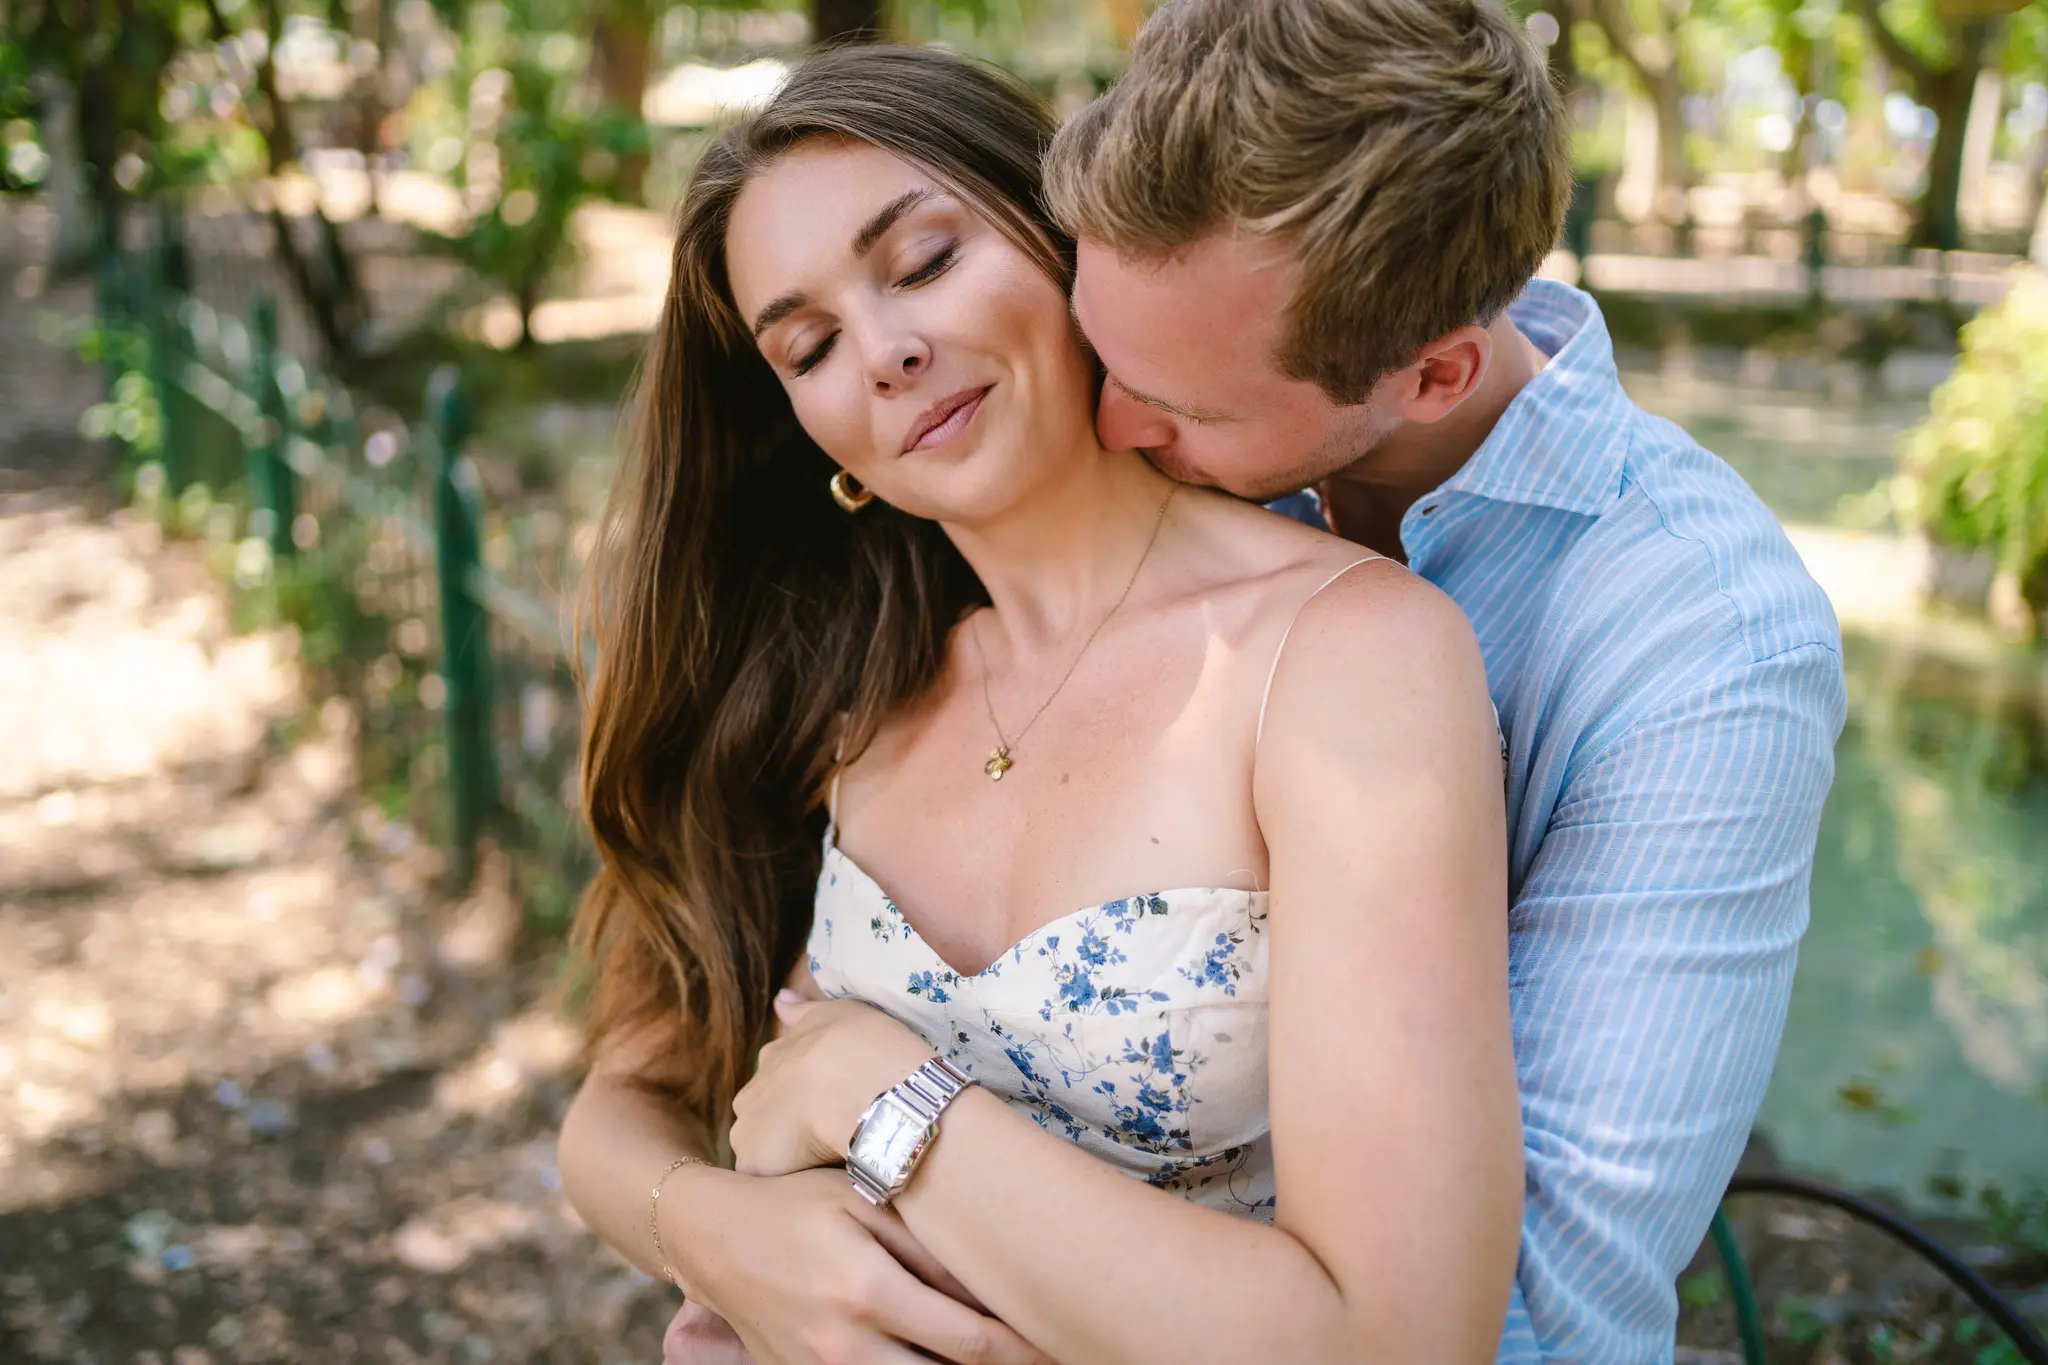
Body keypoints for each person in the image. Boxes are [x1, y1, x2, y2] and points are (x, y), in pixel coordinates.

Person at [576, 0, 1853, 1358]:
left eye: (929, 260)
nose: (1125, 418)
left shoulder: (1671, 643)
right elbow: (646, 1077)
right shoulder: (854, 650)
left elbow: (1500, 1314)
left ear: (1431, 378)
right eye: (807, 349)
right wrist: (719, 1240)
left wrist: (878, 1107)